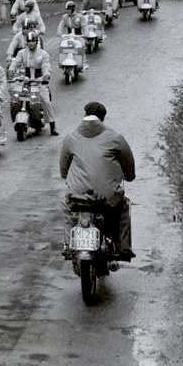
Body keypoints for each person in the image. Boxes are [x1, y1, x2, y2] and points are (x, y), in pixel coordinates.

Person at [59, 101, 136, 260]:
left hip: (77, 195)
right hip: (106, 197)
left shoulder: (70, 137)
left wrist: (70, 178)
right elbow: (128, 166)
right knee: (123, 206)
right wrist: (129, 176)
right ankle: (123, 248)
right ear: (103, 118)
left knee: (66, 206)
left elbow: (63, 169)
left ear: (85, 115)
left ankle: (67, 244)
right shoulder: (115, 137)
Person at [9, 31, 57, 135]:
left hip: (39, 81)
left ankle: (52, 126)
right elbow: (16, 62)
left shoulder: (43, 54)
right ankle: (16, 118)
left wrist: (46, 76)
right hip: (25, 80)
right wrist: (11, 69)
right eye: (29, 41)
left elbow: (46, 66)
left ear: (36, 42)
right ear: (26, 42)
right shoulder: (22, 53)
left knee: (45, 100)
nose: (31, 43)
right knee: (14, 97)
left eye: (33, 41)